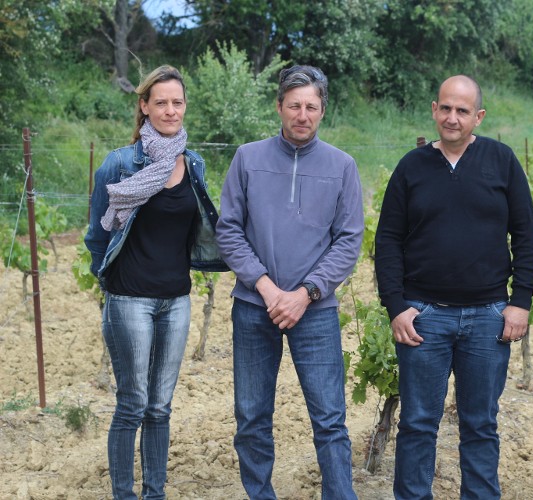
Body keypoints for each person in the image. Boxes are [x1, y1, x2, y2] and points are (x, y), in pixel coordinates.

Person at [374, 75, 533, 499]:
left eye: (462, 110)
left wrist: (520, 302)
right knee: (417, 423)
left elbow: (525, 234)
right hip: (422, 317)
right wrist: (396, 305)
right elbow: (388, 239)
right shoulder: (412, 166)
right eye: (445, 108)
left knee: (480, 424)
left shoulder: (501, 160)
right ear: (434, 109)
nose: (452, 118)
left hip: (488, 317)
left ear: (478, 116)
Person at [215, 64, 363, 499]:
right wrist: (266, 287)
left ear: (322, 111)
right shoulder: (248, 157)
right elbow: (229, 229)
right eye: (294, 105)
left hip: (315, 311)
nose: (303, 114)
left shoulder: (343, 166)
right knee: (252, 416)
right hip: (253, 306)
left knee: (330, 419)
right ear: (279, 107)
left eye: (311, 106)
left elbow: (348, 240)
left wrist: (305, 293)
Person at [84, 65, 227, 499]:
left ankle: (155, 493)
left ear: (185, 107)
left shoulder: (193, 163)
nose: (169, 110)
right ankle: (125, 494)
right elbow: (96, 234)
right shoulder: (120, 163)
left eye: (177, 102)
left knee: (160, 407)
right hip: (129, 299)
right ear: (144, 107)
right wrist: (109, 281)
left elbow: (196, 226)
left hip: (176, 301)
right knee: (131, 404)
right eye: (160, 102)